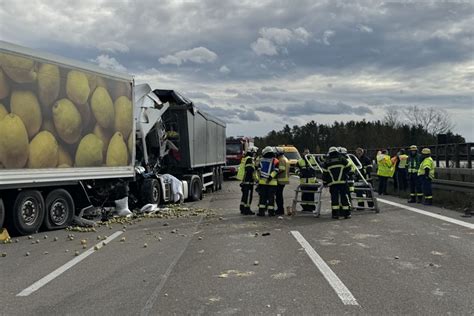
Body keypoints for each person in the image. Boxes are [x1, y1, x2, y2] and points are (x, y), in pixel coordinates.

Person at [322, 147, 352, 219]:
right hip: (343, 182)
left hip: (333, 183)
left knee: (334, 199)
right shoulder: (342, 159)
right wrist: (345, 174)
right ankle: (346, 214)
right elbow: (349, 167)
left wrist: (325, 182)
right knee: (344, 197)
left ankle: (335, 214)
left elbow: (325, 174)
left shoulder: (327, 162)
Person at [257, 146, 279, 216]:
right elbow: (276, 171)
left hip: (262, 183)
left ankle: (261, 212)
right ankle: (271, 212)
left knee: (262, 198)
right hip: (272, 183)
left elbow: (258, 170)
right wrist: (270, 177)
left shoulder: (261, 160)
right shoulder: (275, 160)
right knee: (271, 198)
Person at [237, 146, 258, 215]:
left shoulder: (245, 158)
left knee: (244, 196)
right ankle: (247, 209)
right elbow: (249, 170)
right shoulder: (249, 159)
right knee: (248, 196)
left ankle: (242, 208)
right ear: (252, 152)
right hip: (248, 181)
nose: (255, 154)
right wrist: (255, 179)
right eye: (254, 153)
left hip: (244, 181)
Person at [275, 147, 289, 215]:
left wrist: (274, 174)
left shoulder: (281, 159)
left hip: (280, 180)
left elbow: (281, 169)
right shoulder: (285, 158)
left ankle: (280, 210)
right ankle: (280, 209)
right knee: (279, 195)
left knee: (279, 196)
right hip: (284, 179)